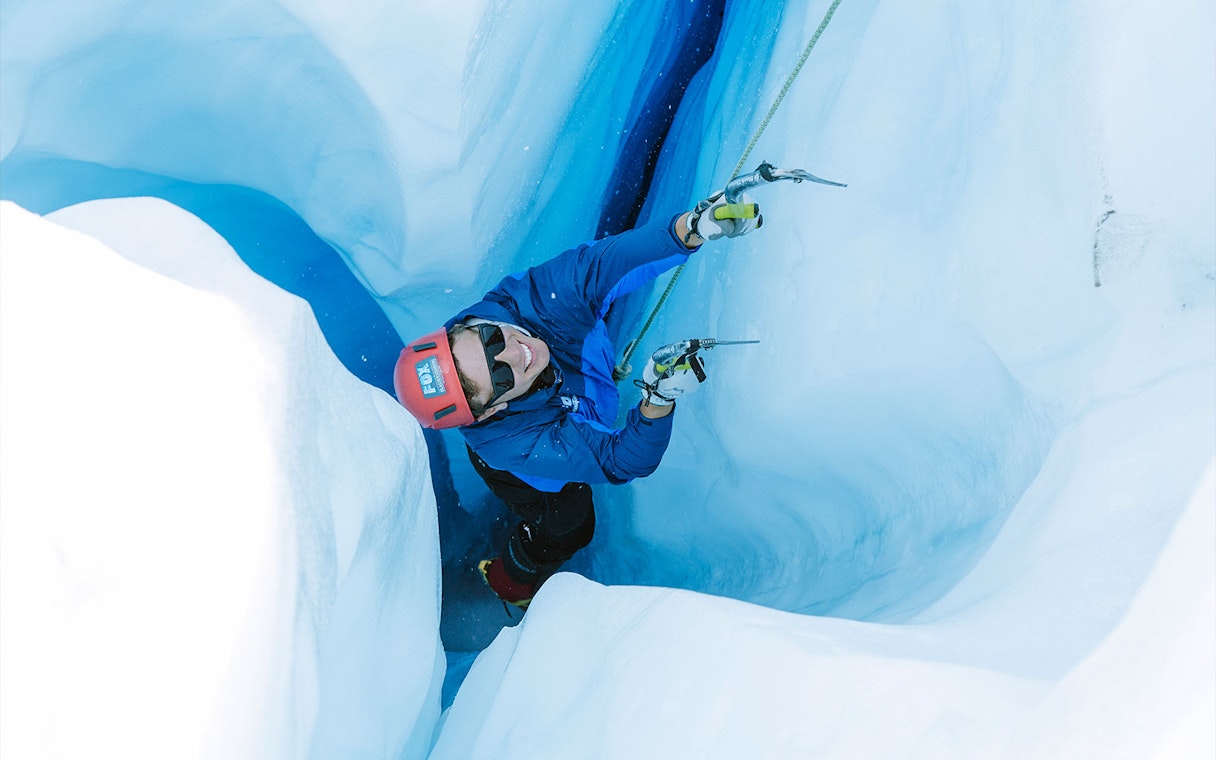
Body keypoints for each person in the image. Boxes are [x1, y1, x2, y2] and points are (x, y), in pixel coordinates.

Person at [394, 189, 762, 609]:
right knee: (569, 522)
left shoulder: (527, 305)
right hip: (521, 466)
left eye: (491, 338)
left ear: (471, 325)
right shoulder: (518, 441)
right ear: (493, 409)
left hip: (559, 411)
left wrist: (689, 229)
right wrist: (659, 399)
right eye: (500, 375)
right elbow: (620, 460)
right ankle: (508, 581)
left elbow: (598, 267)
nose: (516, 351)